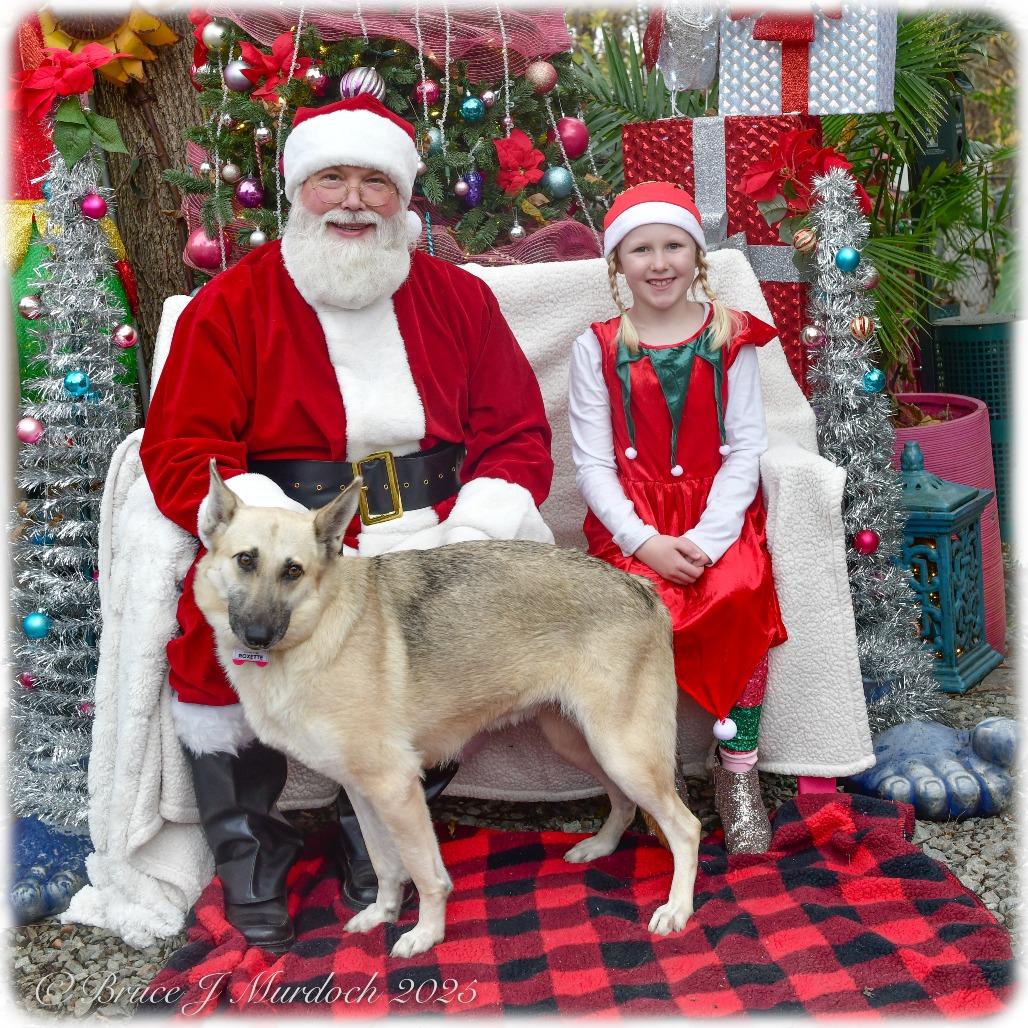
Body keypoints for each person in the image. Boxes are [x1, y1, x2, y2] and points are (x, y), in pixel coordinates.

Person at [139, 94, 554, 951]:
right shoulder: (231, 304)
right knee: (208, 632)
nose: (356, 200)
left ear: (404, 200)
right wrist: (274, 529)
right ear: (298, 191)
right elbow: (181, 447)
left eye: (377, 182)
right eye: (334, 179)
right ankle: (249, 845)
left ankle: (387, 839)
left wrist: (476, 535)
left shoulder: (459, 300)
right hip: (295, 540)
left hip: (435, 531)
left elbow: (517, 433)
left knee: (457, 638)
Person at [568, 181, 788, 854]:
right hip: (633, 520)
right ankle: (657, 778)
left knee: (739, 591)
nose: (659, 262)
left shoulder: (729, 336)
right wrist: (646, 542)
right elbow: (591, 465)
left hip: (715, 514)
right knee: (635, 611)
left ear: (697, 258)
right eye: (642, 249)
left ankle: (738, 774)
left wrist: (707, 538)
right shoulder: (597, 347)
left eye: (673, 246)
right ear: (617, 265)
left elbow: (746, 446)